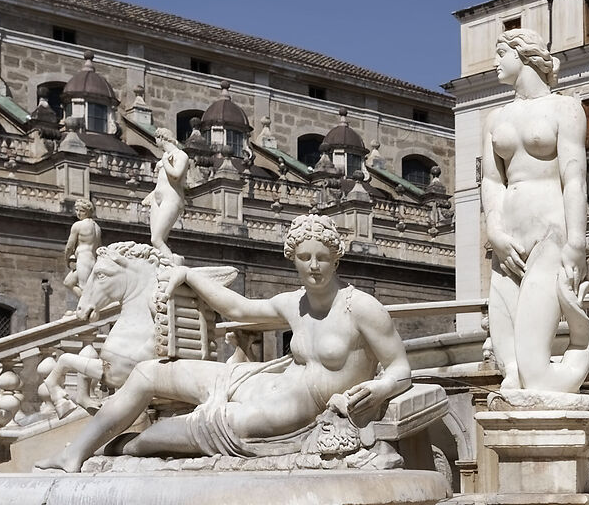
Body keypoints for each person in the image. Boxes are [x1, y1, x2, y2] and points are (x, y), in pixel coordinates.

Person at [37, 214, 410, 470]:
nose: (313, 266)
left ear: (336, 259)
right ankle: (76, 453)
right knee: (149, 372)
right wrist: (187, 275)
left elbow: (401, 369)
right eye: (304, 258)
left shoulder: (361, 307)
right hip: (260, 381)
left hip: (294, 411)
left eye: (322, 258)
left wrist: (380, 387)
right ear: (292, 259)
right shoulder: (295, 302)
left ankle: (125, 448)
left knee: (183, 429)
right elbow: (240, 307)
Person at [480, 29, 589, 395]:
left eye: (501, 52)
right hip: (507, 241)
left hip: (552, 235)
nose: (495, 62)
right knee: (511, 369)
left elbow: (574, 178)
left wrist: (576, 242)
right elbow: (490, 181)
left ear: (524, 54)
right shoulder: (494, 118)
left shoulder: (565, 108)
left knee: (533, 366)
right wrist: (494, 233)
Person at [147, 137, 188, 258]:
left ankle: (174, 265)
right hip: (157, 199)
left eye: (156, 139)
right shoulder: (165, 155)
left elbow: (176, 175)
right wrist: (152, 195)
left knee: (156, 239)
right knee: (158, 242)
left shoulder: (181, 155)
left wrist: (165, 161)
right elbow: (162, 182)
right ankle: (160, 269)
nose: (155, 142)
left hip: (171, 198)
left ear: (162, 138)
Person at [63, 200, 102, 299]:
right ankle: (85, 306)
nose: (78, 213)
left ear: (88, 212)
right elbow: (99, 247)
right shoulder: (97, 228)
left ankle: (87, 310)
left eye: (82, 211)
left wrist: (67, 258)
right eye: (77, 210)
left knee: (84, 288)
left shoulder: (78, 225)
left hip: (83, 259)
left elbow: (69, 246)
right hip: (93, 260)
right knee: (68, 282)